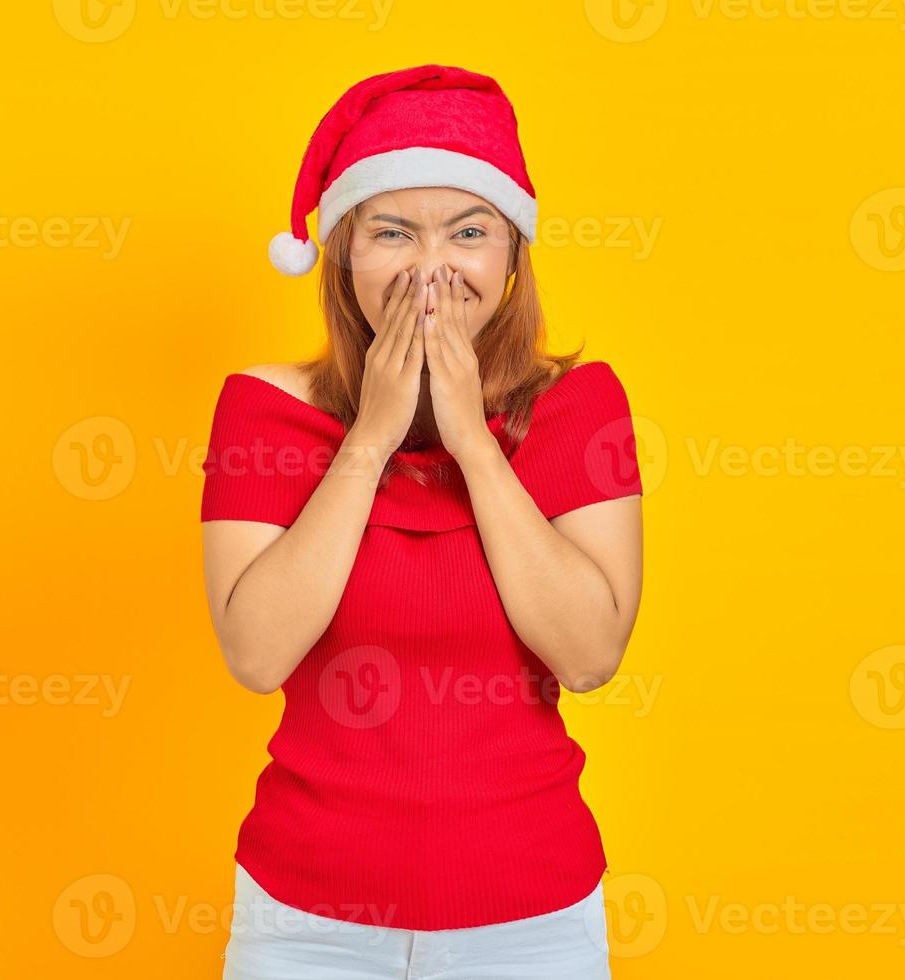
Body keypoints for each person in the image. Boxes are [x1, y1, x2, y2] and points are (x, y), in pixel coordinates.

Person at [201, 63, 644, 980]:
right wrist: (368, 439)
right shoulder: (261, 410)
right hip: (305, 924)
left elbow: (590, 654)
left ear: (511, 256)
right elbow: (256, 653)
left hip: (532, 922)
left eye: (469, 231)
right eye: (393, 232)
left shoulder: (579, 409)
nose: (432, 267)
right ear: (343, 255)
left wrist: (475, 445)